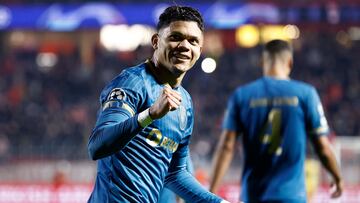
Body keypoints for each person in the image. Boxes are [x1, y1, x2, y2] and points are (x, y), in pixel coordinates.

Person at [87, 5, 229, 203]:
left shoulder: (185, 102)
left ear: (199, 49)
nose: (185, 46)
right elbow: (97, 145)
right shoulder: (132, 83)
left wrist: (219, 202)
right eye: (176, 37)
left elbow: (175, 174)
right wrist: (150, 114)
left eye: (193, 41)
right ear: (156, 41)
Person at [209, 39, 343, 203]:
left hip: (254, 195)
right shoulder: (306, 94)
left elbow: (226, 146)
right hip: (292, 196)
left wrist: (212, 191)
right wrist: (337, 177)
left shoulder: (242, 95)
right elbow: (322, 147)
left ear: (262, 62)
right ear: (290, 62)